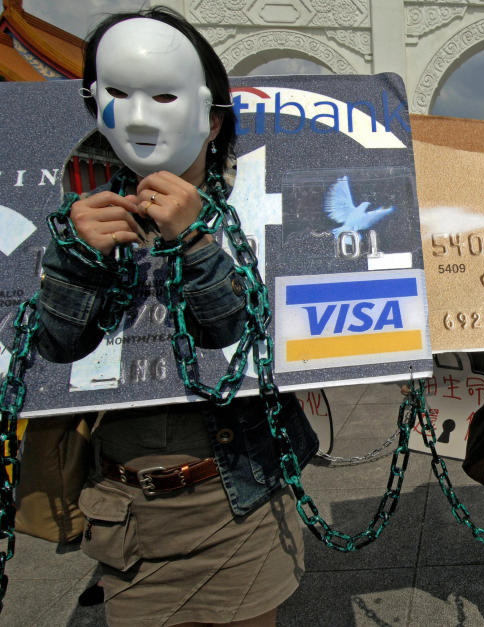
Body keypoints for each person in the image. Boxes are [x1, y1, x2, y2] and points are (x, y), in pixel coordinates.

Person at [34, 9, 318, 626]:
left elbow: (235, 341)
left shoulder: (253, 217)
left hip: (235, 489)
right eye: (116, 95)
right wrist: (79, 261)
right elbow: (52, 350)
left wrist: (194, 242)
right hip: (128, 505)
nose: (139, 116)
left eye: (164, 95)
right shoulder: (79, 222)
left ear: (213, 119)